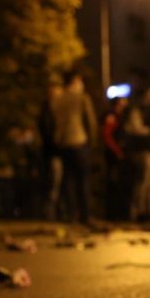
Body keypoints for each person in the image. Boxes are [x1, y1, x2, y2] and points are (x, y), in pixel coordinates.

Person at [51, 71, 96, 224]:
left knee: (68, 179)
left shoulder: (59, 98)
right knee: (83, 180)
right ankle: (85, 214)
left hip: (64, 143)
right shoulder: (82, 97)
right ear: (76, 80)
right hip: (79, 140)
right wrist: (93, 142)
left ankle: (70, 214)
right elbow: (90, 122)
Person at [125, 87, 150, 222]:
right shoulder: (137, 111)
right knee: (143, 182)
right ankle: (138, 210)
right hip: (140, 150)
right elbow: (135, 129)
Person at [38, 78, 63, 220]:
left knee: (59, 185)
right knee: (53, 184)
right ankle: (50, 215)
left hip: (60, 152)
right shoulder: (47, 110)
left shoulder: (60, 110)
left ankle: (59, 213)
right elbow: (46, 131)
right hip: (53, 152)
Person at [101, 97, 129, 220]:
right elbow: (107, 135)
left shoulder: (121, 116)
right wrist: (117, 151)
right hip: (113, 155)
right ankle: (111, 213)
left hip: (119, 153)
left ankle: (118, 212)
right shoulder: (111, 116)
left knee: (120, 184)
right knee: (113, 183)